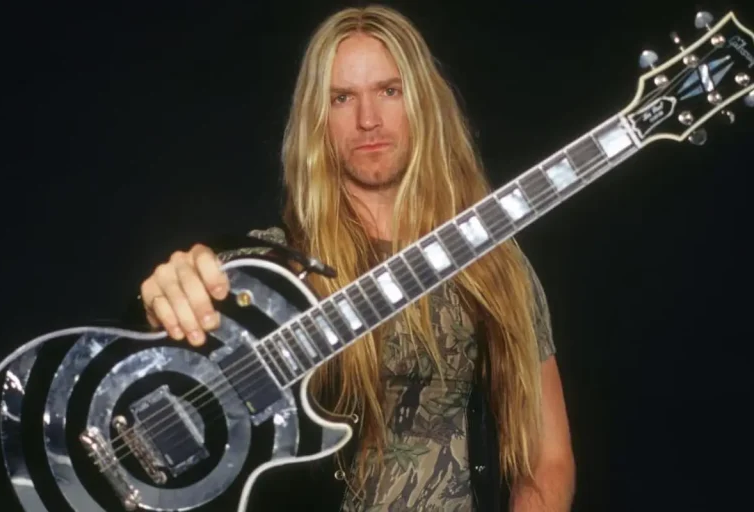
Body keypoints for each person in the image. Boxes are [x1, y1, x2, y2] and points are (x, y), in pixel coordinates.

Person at [137, 4, 575, 511]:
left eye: (389, 91)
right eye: (343, 98)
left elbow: (548, 459)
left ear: (424, 104)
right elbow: (179, 322)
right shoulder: (276, 271)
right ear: (317, 120)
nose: (368, 120)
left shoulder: (495, 265)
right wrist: (169, 293)